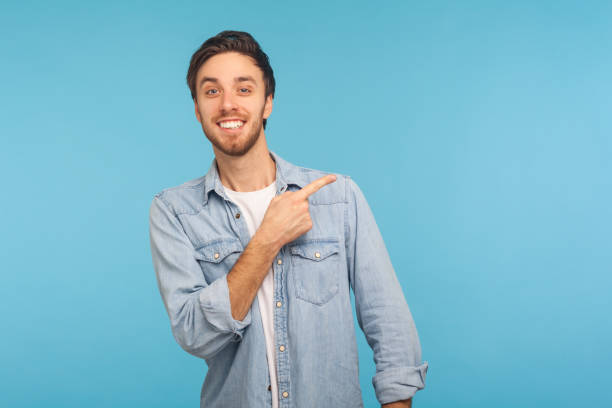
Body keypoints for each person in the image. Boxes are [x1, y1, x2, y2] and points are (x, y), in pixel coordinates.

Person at [149, 30, 428, 408]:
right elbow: (194, 334)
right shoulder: (174, 212)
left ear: (268, 103)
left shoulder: (337, 197)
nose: (228, 104)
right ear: (198, 109)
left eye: (244, 89)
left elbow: (388, 320)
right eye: (212, 91)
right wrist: (267, 240)